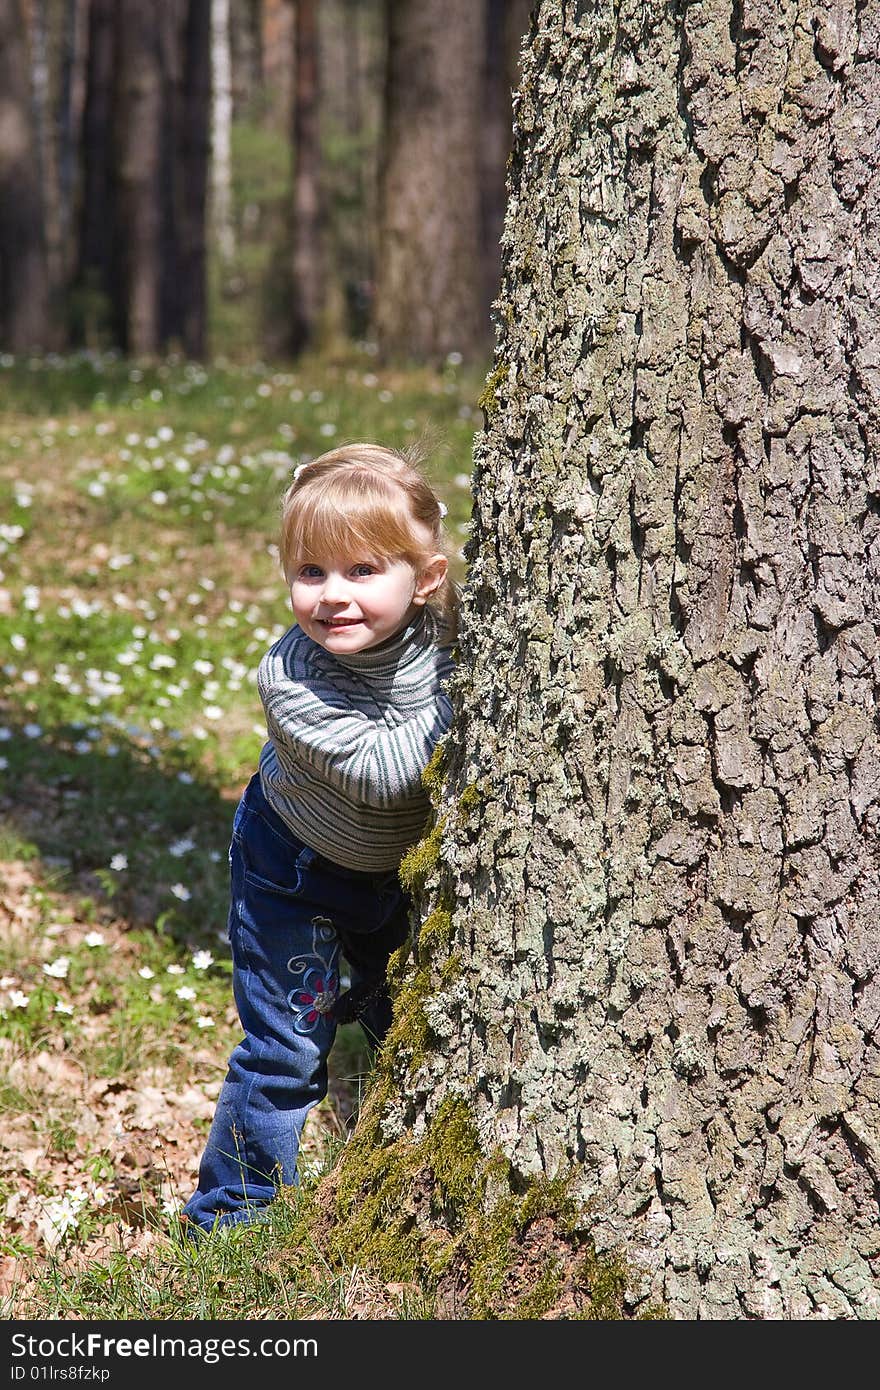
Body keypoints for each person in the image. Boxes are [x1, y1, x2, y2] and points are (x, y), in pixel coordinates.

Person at [181, 442, 457, 1235]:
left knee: (406, 1019)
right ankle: (231, 1213)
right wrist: (469, 697)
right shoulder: (292, 678)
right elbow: (382, 775)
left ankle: (404, 1169)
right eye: (311, 573)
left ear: (427, 580)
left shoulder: (449, 644)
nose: (333, 596)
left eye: (364, 571)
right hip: (292, 868)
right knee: (288, 1046)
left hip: (397, 873)